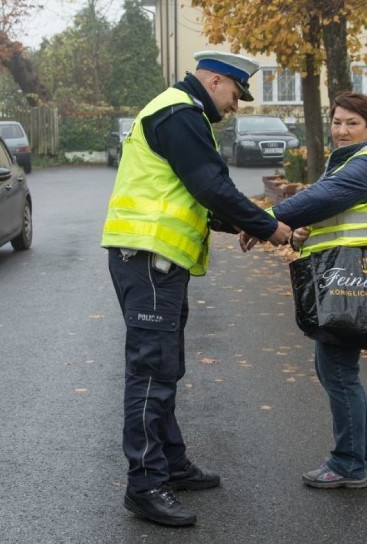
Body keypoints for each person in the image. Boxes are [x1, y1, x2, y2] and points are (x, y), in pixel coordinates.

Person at [100, 50, 291, 527]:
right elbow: (210, 185)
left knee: (164, 365)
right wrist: (269, 228)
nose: (235, 106)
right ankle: (145, 484)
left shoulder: (181, 113)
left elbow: (192, 197)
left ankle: (171, 463)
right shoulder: (179, 112)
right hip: (149, 258)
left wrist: (248, 223)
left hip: (156, 260)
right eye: (234, 93)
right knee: (151, 371)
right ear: (213, 80)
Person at [240, 91, 367, 489]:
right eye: (337, 122)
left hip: (355, 281)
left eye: (352, 123)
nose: (342, 130)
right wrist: (299, 235)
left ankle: (348, 464)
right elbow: (332, 212)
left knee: (336, 369)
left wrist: (266, 220)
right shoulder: (348, 161)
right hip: (346, 277)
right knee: (341, 370)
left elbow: (323, 198)